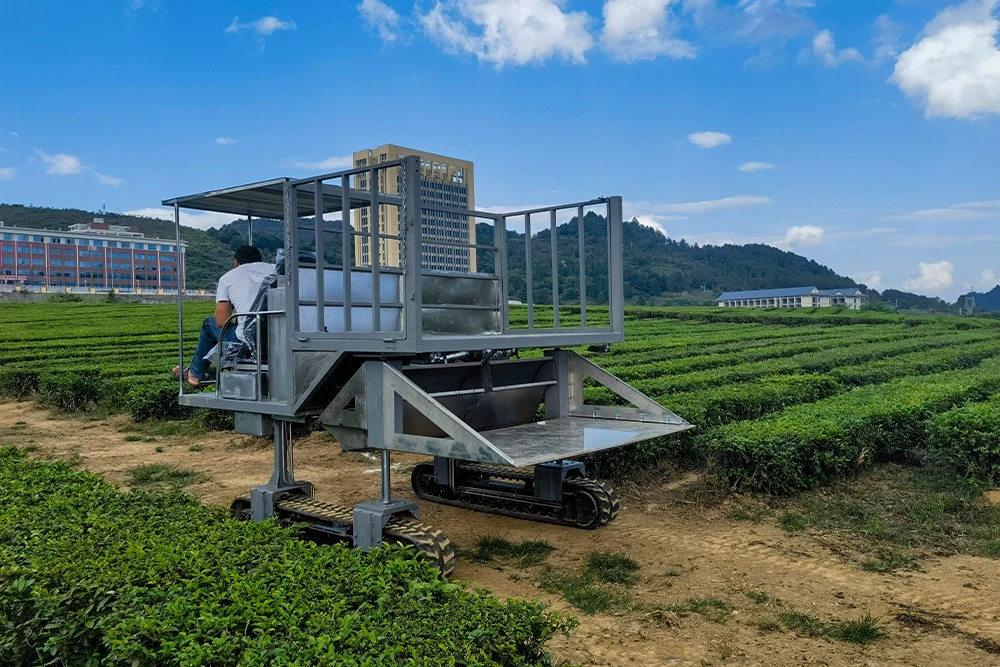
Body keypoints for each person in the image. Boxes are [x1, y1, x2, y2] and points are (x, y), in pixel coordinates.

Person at [173, 245, 275, 388]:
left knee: (209, 323)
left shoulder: (228, 277)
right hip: (278, 335)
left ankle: (195, 374)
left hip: (249, 341)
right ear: (259, 260)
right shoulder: (274, 269)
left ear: (237, 262)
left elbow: (221, 321)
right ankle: (195, 371)